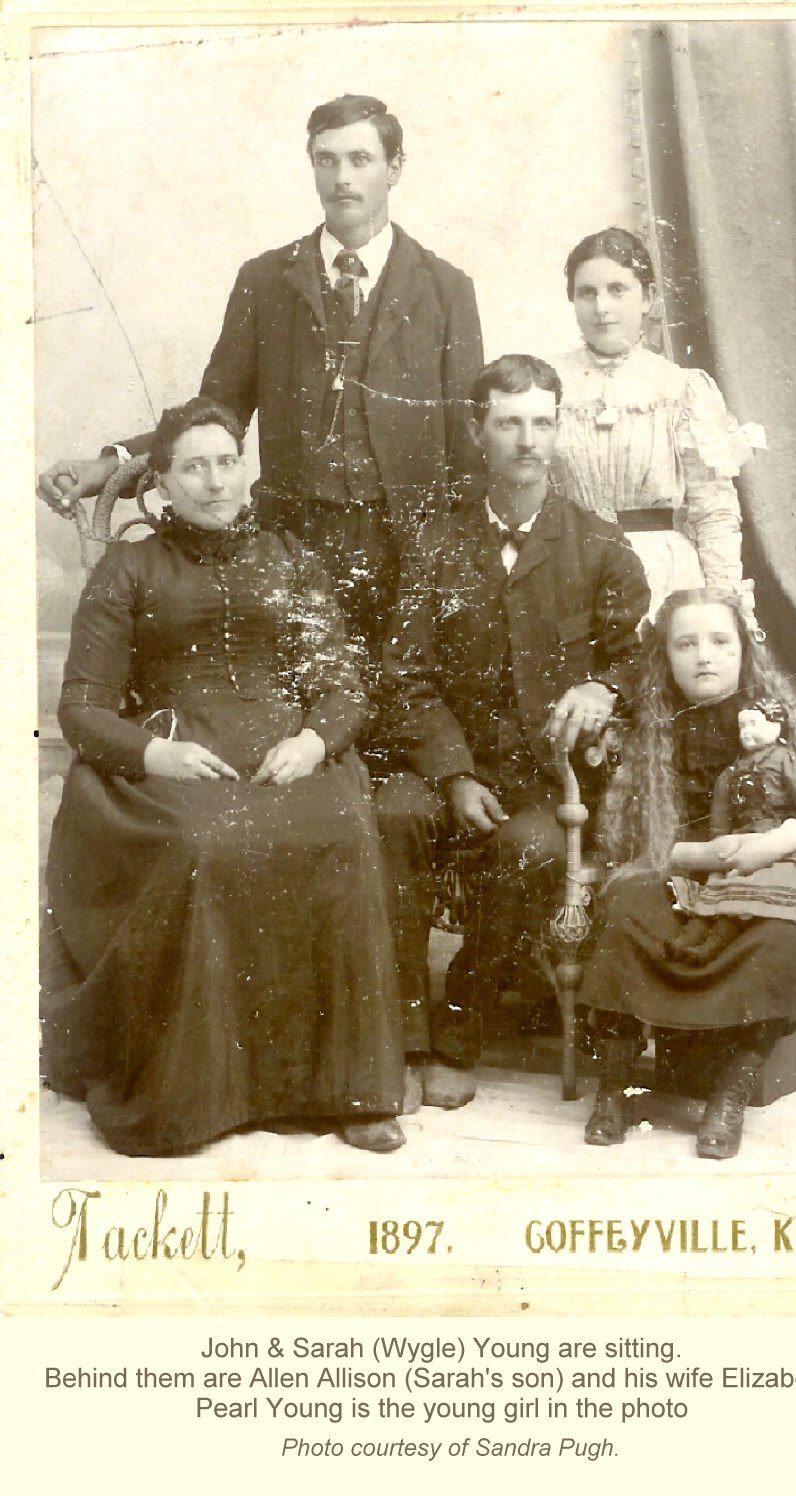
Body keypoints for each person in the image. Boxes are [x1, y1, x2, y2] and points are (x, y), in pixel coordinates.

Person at [40, 397, 406, 1157]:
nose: (214, 483)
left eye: (227, 463)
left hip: (284, 752)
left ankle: (351, 1089)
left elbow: (342, 683)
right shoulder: (128, 568)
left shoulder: (293, 560)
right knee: (202, 844)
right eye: (194, 468)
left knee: (341, 829)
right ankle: (198, 1095)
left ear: (246, 471)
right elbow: (82, 707)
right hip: (177, 754)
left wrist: (313, 741)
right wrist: (155, 754)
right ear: (162, 483)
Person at [37, 93, 483, 662]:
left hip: (408, 556)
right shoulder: (266, 281)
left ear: (394, 168)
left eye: (360, 159)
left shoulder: (446, 289)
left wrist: (454, 565)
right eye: (326, 160)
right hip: (288, 546)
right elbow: (215, 412)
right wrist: (110, 465)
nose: (342, 178)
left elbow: (467, 448)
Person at [377, 355, 649, 1108]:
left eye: (541, 423)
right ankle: (399, 1038)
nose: (527, 440)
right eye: (508, 423)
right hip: (445, 762)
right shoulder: (434, 541)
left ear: (557, 431)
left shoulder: (599, 545)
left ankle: (460, 1029)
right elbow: (404, 673)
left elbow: (637, 659)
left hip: (546, 775)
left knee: (531, 847)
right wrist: (454, 773)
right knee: (392, 816)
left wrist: (601, 686)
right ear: (478, 433)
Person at [578, 587, 796, 1160]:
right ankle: (615, 1087)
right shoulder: (650, 728)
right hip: (674, 868)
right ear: (665, 655)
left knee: (786, 937)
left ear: (743, 649)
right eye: (686, 644)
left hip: (761, 875)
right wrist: (706, 857)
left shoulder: (777, 718)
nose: (704, 655)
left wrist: (778, 840)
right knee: (626, 914)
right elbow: (631, 838)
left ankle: (730, 1095)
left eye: (720, 641)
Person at [552, 227, 757, 622]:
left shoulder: (681, 388)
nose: (602, 307)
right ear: (572, 300)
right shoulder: (549, 383)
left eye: (617, 290)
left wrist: (725, 604)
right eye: (587, 293)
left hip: (663, 575)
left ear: (647, 298)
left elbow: (714, 512)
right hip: (573, 566)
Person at [666, 696, 796, 961]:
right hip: (740, 843)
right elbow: (720, 819)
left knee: (748, 889)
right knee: (717, 887)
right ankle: (684, 942)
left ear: (776, 726)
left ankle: (708, 949)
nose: (746, 732)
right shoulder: (732, 771)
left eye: (754, 724)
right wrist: (718, 852)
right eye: (742, 726)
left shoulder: (786, 761)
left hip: (779, 847)